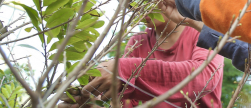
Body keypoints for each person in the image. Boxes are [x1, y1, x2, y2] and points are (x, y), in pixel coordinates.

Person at [58, 12, 224, 108]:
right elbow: (128, 101)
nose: (138, 8)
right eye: (132, 2)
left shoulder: (202, 33)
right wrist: (94, 101)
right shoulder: (138, 42)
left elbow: (204, 77)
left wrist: (123, 70)